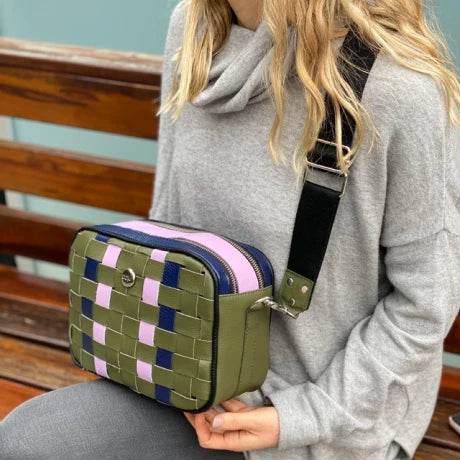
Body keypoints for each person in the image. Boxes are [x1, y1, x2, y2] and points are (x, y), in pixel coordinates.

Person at [1, 0, 459, 459]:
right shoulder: (193, 29)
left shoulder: (398, 89)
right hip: (188, 376)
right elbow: (169, 217)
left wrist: (300, 415)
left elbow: (425, 304)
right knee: (26, 443)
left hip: (326, 421)